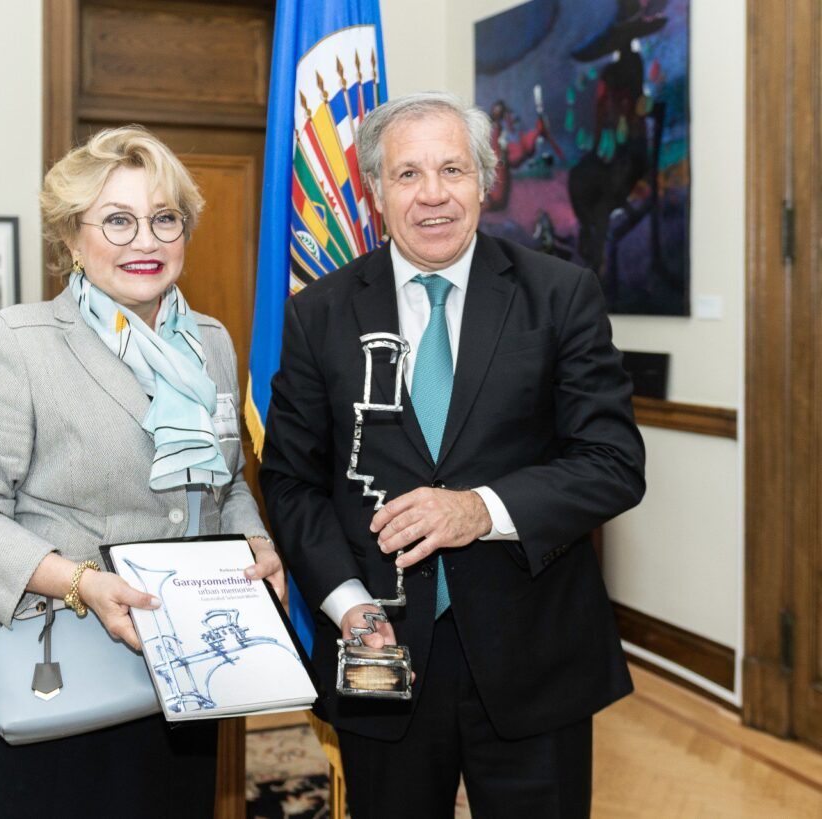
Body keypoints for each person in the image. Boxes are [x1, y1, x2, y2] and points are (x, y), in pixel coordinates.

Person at [259, 92, 645, 818]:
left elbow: (612, 460)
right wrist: (347, 606)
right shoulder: (320, 313)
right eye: (408, 175)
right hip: (380, 659)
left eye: (452, 170)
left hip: (536, 658)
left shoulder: (561, 296)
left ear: (485, 180)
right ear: (375, 191)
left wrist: (480, 510)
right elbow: (290, 481)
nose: (432, 195)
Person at [0, 125, 281, 817]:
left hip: (185, 667)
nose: (144, 241)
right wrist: (83, 582)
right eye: (117, 220)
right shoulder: (17, 342)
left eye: (163, 218)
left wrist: (256, 542)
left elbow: (225, 480)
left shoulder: (208, 341)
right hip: (58, 662)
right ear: (71, 237)